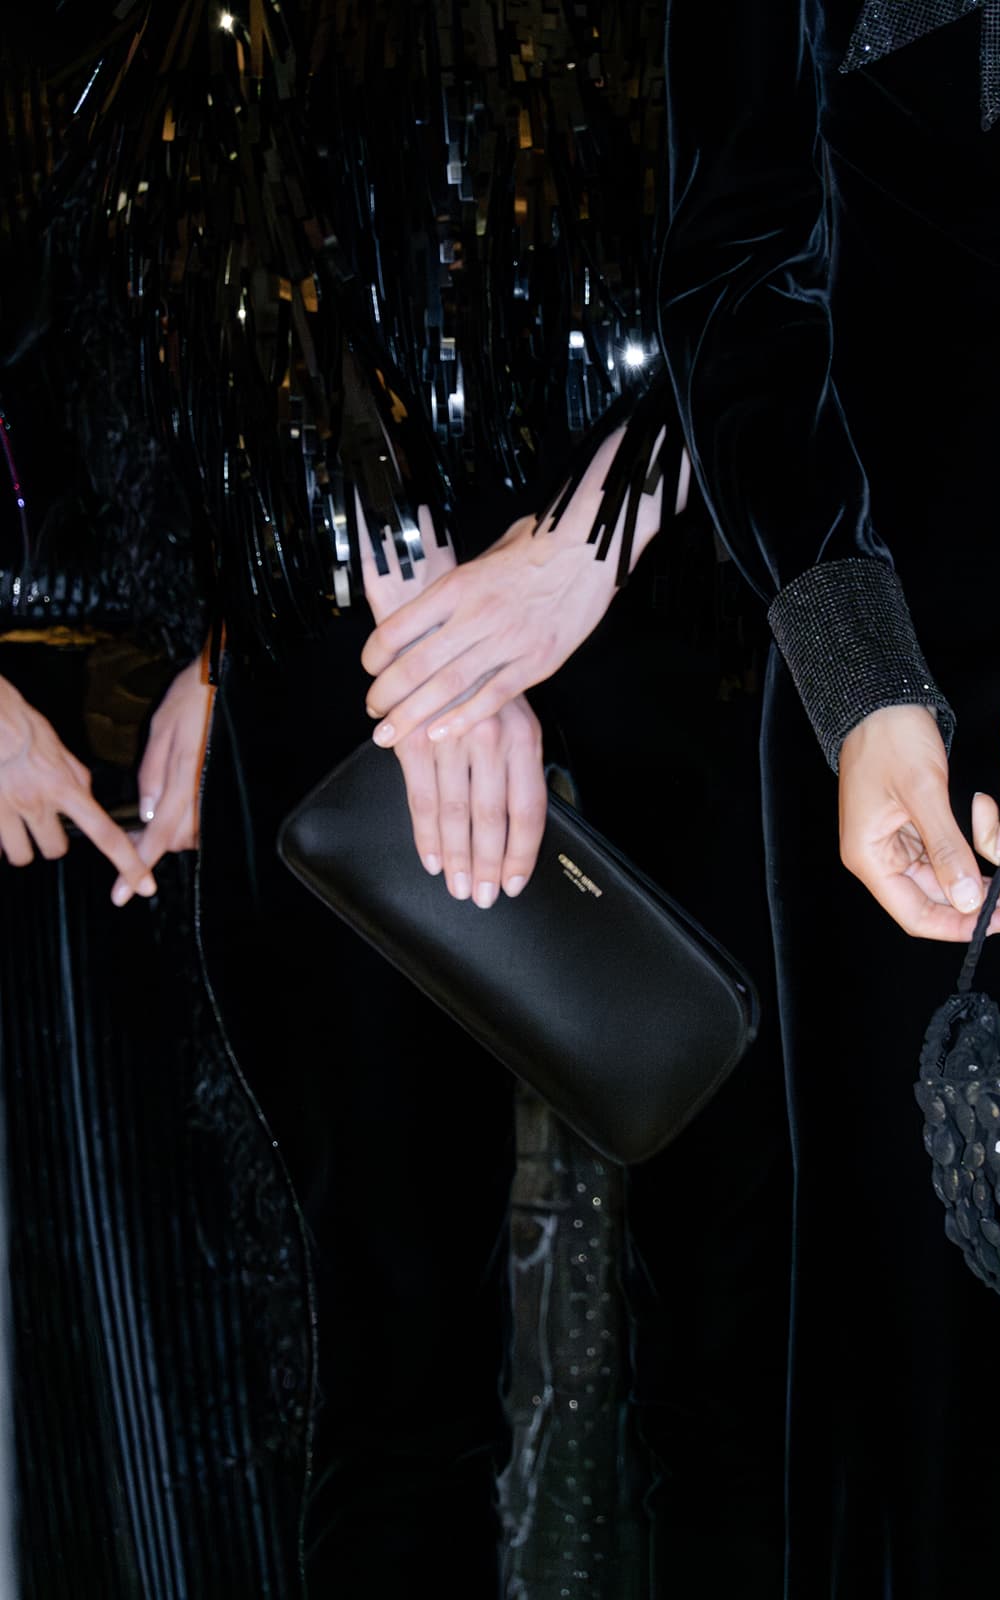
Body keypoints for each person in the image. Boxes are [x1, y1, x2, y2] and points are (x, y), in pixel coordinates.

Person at [61, 2, 792, 1593]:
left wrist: (588, 543)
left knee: (753, 1364)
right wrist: (412, 615)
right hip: (344, 595)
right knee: (397, 1374)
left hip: (700, 576)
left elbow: (807, 170)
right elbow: (188, 152)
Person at [363, 1, 1000, 1592]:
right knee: (925, 1419)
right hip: (901, 705)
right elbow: (743, 254)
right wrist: (859, 677)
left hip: (900, 673)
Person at [0, 14, 313, 1594]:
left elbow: (298, 368)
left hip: (208, 743)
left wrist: (230, 654)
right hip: (38, 759)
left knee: (219, 1329)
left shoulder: (233, 41)